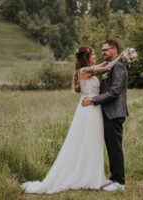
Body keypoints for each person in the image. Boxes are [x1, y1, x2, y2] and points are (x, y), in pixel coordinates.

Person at [21, 46, 121, 194]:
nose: (95, 56)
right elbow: (107, 68)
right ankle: (85, 177)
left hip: (94, 109)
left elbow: (103, 65)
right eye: (92, 54)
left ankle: (94, 176)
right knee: (86, 141)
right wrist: (122, 56)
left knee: (94, 141)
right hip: (88, 111)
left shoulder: (89, 68)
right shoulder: (83, 71)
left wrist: (114, 59)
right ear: (86, 58)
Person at [82, 40, 128, 191]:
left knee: (115, 147)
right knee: (110, 146)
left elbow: (114, 91)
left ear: (114, 50)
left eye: (105, 50)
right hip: (107, 112)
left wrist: (94, 100)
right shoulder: (111, 66)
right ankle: (114, 178)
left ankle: (120, 182)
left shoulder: (119, 66)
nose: (102, 53)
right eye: (101, 51)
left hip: (114, 112)